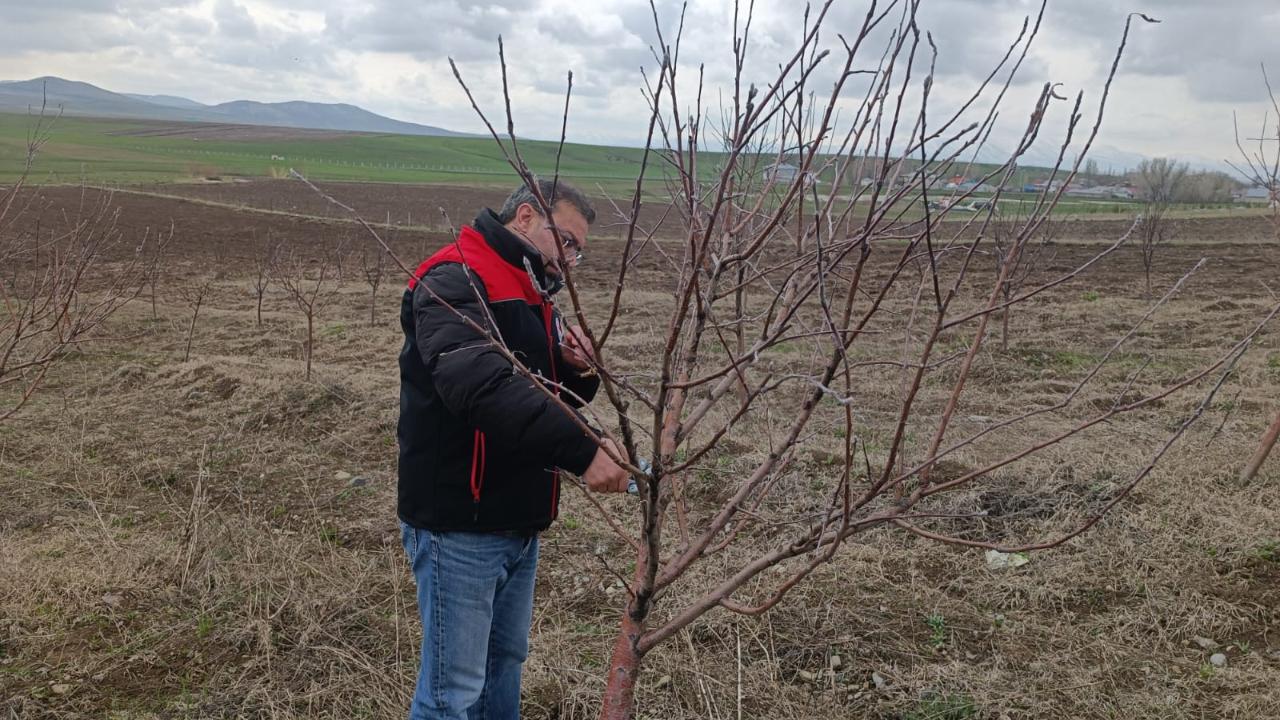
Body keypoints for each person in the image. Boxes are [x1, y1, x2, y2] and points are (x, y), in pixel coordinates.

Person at [397, 178, 630, 719]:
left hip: (518, 518)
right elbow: (482, 386)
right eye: (567, 242)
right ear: (526, 218)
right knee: (451, 693)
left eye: (579, 251)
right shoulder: (454, 278)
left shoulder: (533, 287)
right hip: (460, 521)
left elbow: (545, 390)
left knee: (504, 664)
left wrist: (580, 369)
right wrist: (583, 449)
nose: (570, 260)